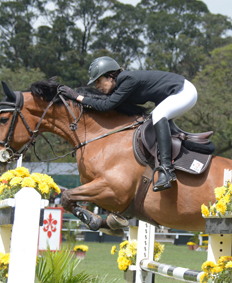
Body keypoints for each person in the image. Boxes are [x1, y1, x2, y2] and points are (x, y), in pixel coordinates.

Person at [58, 56, 198, 192]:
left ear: (111, 76)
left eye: (99, 81)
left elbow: (106, 105)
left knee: (158, 115)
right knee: (153, 119)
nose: (97, 86)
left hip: (183, 92)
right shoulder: (122, 83)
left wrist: (77, 97)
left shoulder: (127, 79)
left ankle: (167, 170)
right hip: (175, 93)